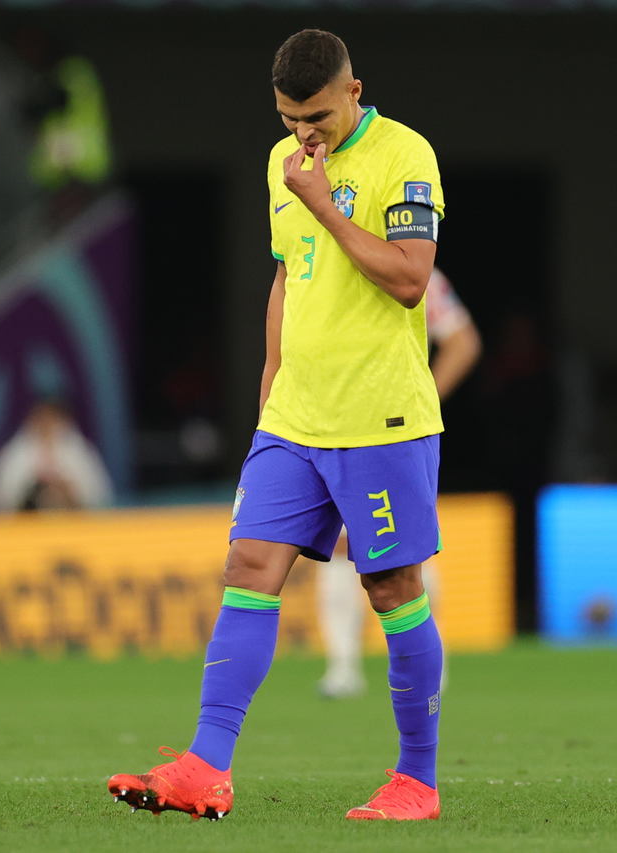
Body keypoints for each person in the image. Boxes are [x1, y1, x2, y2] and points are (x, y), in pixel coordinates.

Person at [108, 29, 447, 821]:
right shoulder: (280, 164)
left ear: (354, 91)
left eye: (319, 117)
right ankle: (204, 765)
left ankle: (417, 781)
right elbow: (288, 270)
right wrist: (271, 375)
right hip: (296, 413)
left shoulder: (406, 156)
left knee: (391, 585)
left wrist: (325, 205)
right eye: (290, 117)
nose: (304, 133)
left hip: (380, 416)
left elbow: (408, 278)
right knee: (249, 565)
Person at [317, 266, 480, 699]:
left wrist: (423, 399)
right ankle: (343, 668)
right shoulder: (315, 266)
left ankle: (425, 665)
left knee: (409, 549)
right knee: (338, 547)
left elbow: (462, 341)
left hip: (394, 427)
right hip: (328, 425)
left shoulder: (411, 269)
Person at [0, 398, 113, 512]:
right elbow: (2, 499)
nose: (47, 422)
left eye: (52, 417)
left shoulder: (79, 451)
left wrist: (65, 489)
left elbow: (98, 495)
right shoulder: (14, 453)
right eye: (42, 417)